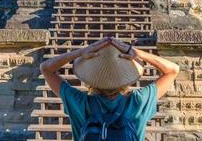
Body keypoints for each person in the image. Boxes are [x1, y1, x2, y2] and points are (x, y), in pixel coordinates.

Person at [40, 37, 180, 141]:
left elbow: (46, 69)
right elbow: (172, 70)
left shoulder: (80, 103)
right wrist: (137, 52)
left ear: (91, 78)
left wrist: (80, 52)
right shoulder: (138, 101)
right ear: (125, 77)